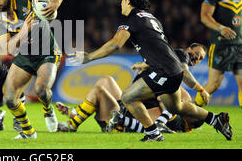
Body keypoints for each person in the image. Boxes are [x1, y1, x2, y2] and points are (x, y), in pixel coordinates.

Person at [71, 0, 232, 141]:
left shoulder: (131, 19)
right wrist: (146, 64)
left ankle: (153, 134)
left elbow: (115, 44)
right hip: (174, 69)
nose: (120, 2)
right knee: (177, 107)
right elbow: (158, 47)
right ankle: (216, 120)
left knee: (128, 97)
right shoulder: (151, 18)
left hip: (163, 71)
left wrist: (89, 57)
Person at [57, 43, 209, 134]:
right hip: (129, 106)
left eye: (200, 58)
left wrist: (199, 90)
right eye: (196, 53)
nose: (196, 58)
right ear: (188, 49)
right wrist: (145, 65)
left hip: (126, 118)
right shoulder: (176, 62)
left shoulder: (177, 88)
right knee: (106, 80)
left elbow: (165, 100)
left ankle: (72, 123)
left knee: (100, 91)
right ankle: (77, 112)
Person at [0, 0, 65, 139]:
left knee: (41, 90)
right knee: (9, 97)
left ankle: (47, 108)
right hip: (25, 56)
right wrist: (23, 30)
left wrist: (55, 4)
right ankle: (29, 132)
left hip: (47, 51)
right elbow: (7, 48)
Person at [197, 0, 242, 130]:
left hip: (239, 47)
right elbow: (204, 17)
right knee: (213, 85)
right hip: (221, 46)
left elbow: (241, 19)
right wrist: (220, 28)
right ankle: (193, 114)